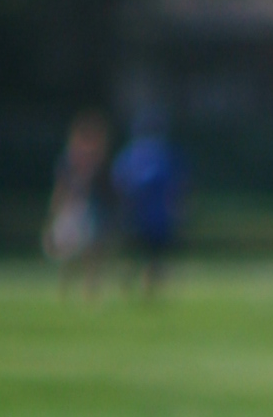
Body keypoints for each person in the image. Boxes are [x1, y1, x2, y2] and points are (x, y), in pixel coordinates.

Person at [112, 116, 186, 295]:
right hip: (145, 214)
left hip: (151, 215)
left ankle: (144, 287)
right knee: (144, 253)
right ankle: (140, 286)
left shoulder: (146, 153)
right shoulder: (158, 154)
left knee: (148, 254)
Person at [43, 110, 111, 295]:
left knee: (92, 249)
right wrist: (54, 210)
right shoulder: (69, 160)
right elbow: (61, 187)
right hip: (71, 208)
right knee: (68, 251)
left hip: (91, 208)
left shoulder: (98, 162)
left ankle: (90, 287)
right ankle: (64, 287)